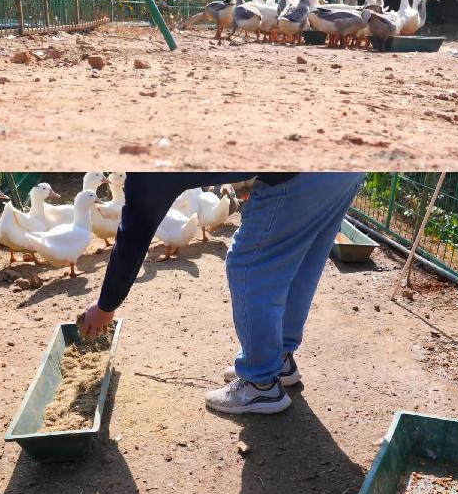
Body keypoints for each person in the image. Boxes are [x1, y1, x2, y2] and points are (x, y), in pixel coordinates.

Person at [78, 172, 365, 415]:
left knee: (249, 266)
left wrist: (106, 305)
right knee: (300, 261)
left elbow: (135, 232)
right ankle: (279, 359)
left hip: (304, 172)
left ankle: (261, 384)